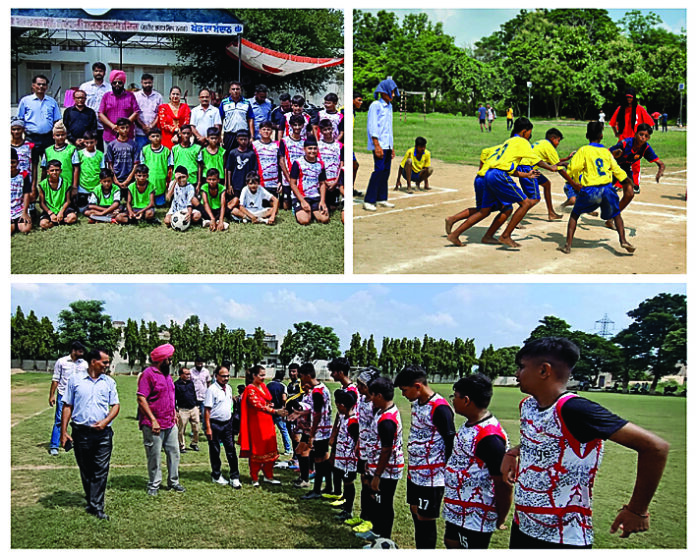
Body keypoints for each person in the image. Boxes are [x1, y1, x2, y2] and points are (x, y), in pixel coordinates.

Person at [502, 337, 669, 549]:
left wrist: (637, 509)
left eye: (522, 367)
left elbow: (655, 447)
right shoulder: (528, 406)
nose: (516, 374)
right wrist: (512, 453)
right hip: (523, 525)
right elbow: (543, 440)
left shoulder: (576, 410)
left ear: (544, 370)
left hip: (563, 537)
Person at [447, 118, 557, 248]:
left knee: (487, 210)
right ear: (524, 131)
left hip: (489, 174)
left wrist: (526, 174)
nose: (530, 135)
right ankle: (505, 235)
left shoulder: (508, 142)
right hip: (499, 176)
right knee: (526, 203)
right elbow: (536, 160)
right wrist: (551, 168)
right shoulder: (522, 141)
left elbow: (508, 166)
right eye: (529, 132)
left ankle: (458, 234)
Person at [443, 373, 512, 549]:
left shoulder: (489, 438)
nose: (452, 400)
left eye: (455, 396)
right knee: (450, 543)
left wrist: (501, 516)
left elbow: (503, 483)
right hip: (457, 511)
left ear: (466, 400)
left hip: (475, 518)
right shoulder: (469, 424)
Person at [394, 365, 456, 549]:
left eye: (405, 390)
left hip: (432, 478)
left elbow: (450, 442)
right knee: (415, 511)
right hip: (415, 474)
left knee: (425, 518)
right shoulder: (417, 403)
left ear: (418, 386)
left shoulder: (440, 409)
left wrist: (447, 474)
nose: (403, 394)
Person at [559, 121, 636, 255]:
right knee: (616, 214)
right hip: (607, 188)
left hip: (591, 190)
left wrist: (572, 176)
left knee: (575, 214)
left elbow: (573, 169)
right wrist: (627, 181)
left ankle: (567, 245)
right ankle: (623, 240)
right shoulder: (606, 152)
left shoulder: (584, 150)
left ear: (587, 135)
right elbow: (617, 170)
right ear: (601, 136)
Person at [60, 348, 119, 520]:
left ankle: (96, 506)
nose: (107, 365)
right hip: (81, 433)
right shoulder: (75, 380)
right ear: (93, 361)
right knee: (86, 469)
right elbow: (67, 406)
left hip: (103, 434)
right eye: (105, 362)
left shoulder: (109, 382)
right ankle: (91, 498)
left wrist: (105, 422)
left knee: (101, 470)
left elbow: (115, 405)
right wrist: (64, 433)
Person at [137, 343, 185, 496]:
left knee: (174, 453)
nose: (171, 362)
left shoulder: (167, 375)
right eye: (169, 359)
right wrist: (153, 420)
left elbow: (170, 396)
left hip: (170, 423)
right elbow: (141, 398)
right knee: (154, 456)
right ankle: (154, 485)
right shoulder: (148, 374)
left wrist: (174, 412)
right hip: (154, 425)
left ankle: (174, 482)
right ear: (161, 359)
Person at [360, 376, 404, 542]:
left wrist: (377, 475)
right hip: (377, 466)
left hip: (387, 470)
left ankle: (384, 539)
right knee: (376, 500)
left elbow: (386, 450)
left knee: (384, 504)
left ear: (379, 395)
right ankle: (376, 532)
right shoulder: (381, 412)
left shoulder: (387, 420)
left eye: (371, 396)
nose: (370, 400)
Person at [344, 367, 380, 532]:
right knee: (364, 482)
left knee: (371, 485)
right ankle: (364, 515)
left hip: (373, 451)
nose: (358, 387)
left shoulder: (376, 403)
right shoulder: (363, 400)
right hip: (363, 447)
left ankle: (371, 520)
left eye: (361, 384)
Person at [239, 365, 285, 486]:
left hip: (267, 421)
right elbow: (257, 404)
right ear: (254, 376)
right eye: (261, 375)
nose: (264, 378)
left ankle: (268, 476)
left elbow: (266, 401)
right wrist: (274, 411)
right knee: (257, 449)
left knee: (270, 447)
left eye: (264, 375)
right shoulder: (250, 388)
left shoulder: (263, 386)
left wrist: (271, 405)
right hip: (257, 423)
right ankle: (254, 477)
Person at [296, 362, 334, 499]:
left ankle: (316, 490)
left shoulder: (317, 392)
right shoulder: (323, 388)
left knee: (318, 460)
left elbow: (317, 414)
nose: (301, 380)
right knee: (324, 458)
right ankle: (329, 486)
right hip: (325, 429)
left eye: (301, 376)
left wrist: (312, 434)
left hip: (320, 431)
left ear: (307, 375)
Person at [204, 365, 242, 488]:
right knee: (215, 450)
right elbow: (207, 410)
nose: (226, 378)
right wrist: (208, 428)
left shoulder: (229, 388)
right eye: (223, 376)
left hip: (228, 423)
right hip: (215, 424)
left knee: (231, 450)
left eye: (227, 376)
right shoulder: (211, 390)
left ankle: (234, 476)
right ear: (216, 376)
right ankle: (216, 475)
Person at [364, 78, 398, 212]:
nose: (394, 95)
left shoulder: (389, 107)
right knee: (378, 171)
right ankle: (369, 200)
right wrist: (376, 145)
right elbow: (372, 126)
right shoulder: (375, 105)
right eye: (392, 92)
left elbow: (388, 128)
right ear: (384, 92)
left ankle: (382, 198)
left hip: (387, 145)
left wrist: (392, 146)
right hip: (379, 144)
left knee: (386, 171)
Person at [48, 341, 87, 455]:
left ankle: (77, 443)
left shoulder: (84, 364)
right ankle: (54, 445)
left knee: (80, 420)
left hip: (78, 395)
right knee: (60, 420)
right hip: (63, 394)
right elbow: (55, 379)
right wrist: (52, 395)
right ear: (73, 350)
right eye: (79, 351)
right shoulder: (61, 362)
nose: (81, 353)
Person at [16, 75, 62, 167]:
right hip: (31, 137)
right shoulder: (25, 101)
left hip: (48, 138)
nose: (41, 87)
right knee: (31, 164)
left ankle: (45, 181)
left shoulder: (52, 101)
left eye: (44, 85)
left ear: (47, 87)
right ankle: (32, 182)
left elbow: (57, 120)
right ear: (33, 85)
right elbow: (20, 120)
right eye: (39, 84)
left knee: (49, 164)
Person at [610, 123, 665, 195]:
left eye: (646, 136)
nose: (643, 137)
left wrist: (660, 172)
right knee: (604, 189)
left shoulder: (646, 148)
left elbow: (661, 164)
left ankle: (618, 206)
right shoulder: (625, 143)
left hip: (625, 167)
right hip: (612, 166)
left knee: (630, 192)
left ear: (648, 138)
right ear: (635, 134)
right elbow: (607, 153)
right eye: (641, 134)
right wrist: (614, 154)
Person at [331, 388, 359, 521]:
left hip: (350, 460)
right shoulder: (344, 418)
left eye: (337, 406)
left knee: (348, 483)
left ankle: (348, 510)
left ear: (342, 406)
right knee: (345, 482)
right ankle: (345, 505)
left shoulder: (353, 422)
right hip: (342, 458)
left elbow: (358, 440)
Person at [289, 138, 329, 225]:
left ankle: (313, 210)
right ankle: (297, 208)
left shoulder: (320, 163)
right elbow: (292, 184)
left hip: (314, 196)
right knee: (305, 221)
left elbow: (322, 183)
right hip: (301, 197)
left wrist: (322, 201)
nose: (312, 151)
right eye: (310, 148)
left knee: (324, 219)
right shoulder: (298, 163)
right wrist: (302, 201)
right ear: (304, 149)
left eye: (315, 148)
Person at [99, 69, 140, 144]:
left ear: (123, 83)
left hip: (127, 135)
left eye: (120, 82)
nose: (117, 84)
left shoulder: (130, 96)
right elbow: (100, 114)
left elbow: (136, 112)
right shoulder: (106, 96)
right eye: (114, 83)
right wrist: (113, 126)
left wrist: (124, 125)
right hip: (110, 135)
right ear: (111, 83)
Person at [37, 160, 78, 229]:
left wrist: (61, 212)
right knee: (43, 224)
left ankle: (59, 219)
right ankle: (54, 222)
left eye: (57, 170)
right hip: (50, 210)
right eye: (52, 170)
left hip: (63, 209)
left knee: (72, 217)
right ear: (48, 172)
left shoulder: (66, 183)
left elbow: (68, 201)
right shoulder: (43, 184)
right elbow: (42, 203)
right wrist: (51, 213)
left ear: (61, 171)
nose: (54, 172)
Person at [80, 62, 111, 150]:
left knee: (101, 150)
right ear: (93, 72)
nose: (98, 73)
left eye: (100, 71)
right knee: (87, 150)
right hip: (87, 125)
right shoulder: (85, 87)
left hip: (103, 126)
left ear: (104, 73)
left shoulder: (109, 88)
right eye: (96, 71)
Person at [278, 114, 306, 210]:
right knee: (286, 206)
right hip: (288, 176)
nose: (297, 128)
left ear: (303, 125)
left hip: (300, 176)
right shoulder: (284, 141)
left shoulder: (305, 141)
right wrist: (288, 178)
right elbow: (281, 161)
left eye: (299, 125)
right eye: (295, 125)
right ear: (290, 125)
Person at [40, 122, 77, 194]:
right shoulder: (48, 151)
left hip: (67, 185)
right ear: (53, 136)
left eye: (62, 135)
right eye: (58, 135)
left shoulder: (72, 149)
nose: (60, 137)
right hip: (51, 186)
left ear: (66, 135)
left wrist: (74, 186)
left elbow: (76, 169)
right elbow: (44, 170)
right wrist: (42, 186)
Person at [105, 118, 140, 192]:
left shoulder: (134, 145)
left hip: (130, 178)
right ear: (117, 129)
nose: (125, 130)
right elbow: (110, 164)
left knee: (129, 201)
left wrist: (128, 180)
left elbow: (136, 164)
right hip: (116, 177)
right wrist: (115, 180)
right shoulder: (112, 145)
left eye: (127, 127)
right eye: (122, 128)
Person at [73, 131, 105, 209]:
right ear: (84, 142)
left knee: (94, 206)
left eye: (91, 142)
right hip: (83, 186)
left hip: (96, 185)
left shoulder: (100, 154)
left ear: (96, 142)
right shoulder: (80, 154)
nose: (89, 145)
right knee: (82, 209)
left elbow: (102, 169)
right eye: (87, 143)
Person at [139, 128, 171, 206]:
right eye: (153, 136)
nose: (155, 138)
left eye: (157, 136)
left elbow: (170, 165)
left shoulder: (166, 151)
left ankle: (160, 201)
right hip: (149, 177)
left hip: (161, 177)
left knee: (160, 203)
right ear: (149, 138)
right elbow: (142, 164)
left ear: (161, 137)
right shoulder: (145, 149)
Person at [219, 81, 254, 153]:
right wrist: (219, 136)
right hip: (229, 135)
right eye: (233, 89)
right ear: (229, 90)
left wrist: (252, 136)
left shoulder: (246, 103)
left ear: (241, 90)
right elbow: (220, 120)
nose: (235, 91)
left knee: (244, 156)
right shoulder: (224, 103)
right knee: (228, 156)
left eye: (237, 89)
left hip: (243, 134)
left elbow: (250, 119)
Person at [317, 118, 344, 211]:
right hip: (322, 182)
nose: (327, 131)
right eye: (325, 129)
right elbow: (317, 164)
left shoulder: (339, 145)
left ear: (332, 129)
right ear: (321, 131)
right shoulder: (318, 145)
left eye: (329, 129)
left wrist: (336, 181)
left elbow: (341, 164)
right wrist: (324, 181)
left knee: (333, 207)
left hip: (334, 181)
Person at [225, 129, 257, 203]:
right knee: (235, 201)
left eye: (245, 139)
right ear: (237, 139)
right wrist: (229, 185)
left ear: (248, 140)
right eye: (241, 139)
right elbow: (229, 170)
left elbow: (254, 170)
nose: (243, 141)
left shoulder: (251, 154)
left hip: (247, 184)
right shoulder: (233, 153)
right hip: (235, 184)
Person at [251, 120, 281, 198]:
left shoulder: (276, 145)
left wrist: (280, 181)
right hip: (260, 182)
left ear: (272, 131)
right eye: (264, 129)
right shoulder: (254, 145)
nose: (266, 131)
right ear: (260, 131)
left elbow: (280, 163)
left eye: (268, 129)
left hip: (274, 182)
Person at [133, 73, 163, 150]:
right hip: (140, 133)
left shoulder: (158, 96)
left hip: (154, 133)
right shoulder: (136, 96)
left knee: (154, 154)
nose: (147, 85)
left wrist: (151, 126)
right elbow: (135, 113)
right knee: (140, 155)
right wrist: (143, 127)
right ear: (141, 83)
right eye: (145, 83)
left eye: (149, 83)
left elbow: (160, 114)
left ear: (152, 83)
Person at [174, 368, 200, 453]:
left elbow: (194, 394)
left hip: (193, 408)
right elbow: (173, 398)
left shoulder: (191, 383)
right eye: (186, 374)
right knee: (181, 430)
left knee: (196, 428)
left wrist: (197, 406)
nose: (189, 376)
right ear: (181, 375)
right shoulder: (176, 385)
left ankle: (194, 443)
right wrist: (175, 410)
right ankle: (181, 446)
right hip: (183, 410)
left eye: (189, 374)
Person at [267, 369, 292, 455]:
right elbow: (284, 398)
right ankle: (288, 449)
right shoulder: (282, 386)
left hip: (270, 410)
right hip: (279, 410)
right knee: (284, 430)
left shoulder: (268, 385)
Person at [11, 147, 33, 235]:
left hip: (20, 209)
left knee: (25, 229)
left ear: (17, 162)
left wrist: (24, 213)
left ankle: (17, 222)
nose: (11, 165)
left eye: (13, 162)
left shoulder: (23, 175)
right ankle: (13, 224)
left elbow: (26, 194)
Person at [11, 117, 35, 190]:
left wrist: (33, 186)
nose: (16, 132)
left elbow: (34, 166)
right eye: (14, 129)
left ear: (23, 130)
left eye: (18, 129)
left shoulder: (29, 146)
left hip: (26, 182)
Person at [190, 357, 212, 423]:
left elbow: (209, 383)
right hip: (193, 397)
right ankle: (193, 430)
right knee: (193, 415)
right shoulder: (191, 371)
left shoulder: (206, 371)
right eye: (198, 363)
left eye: (201, 363)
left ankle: (205, 429)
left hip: (204, 396)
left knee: (204, 414)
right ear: (195, 363)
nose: (199, 365)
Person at [352, 92, 364, 197]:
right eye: (359, 100)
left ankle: (349, 189)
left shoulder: (352, 111)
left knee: (354, 165)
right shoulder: (344, 110)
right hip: (342, 144)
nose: (361, 102)